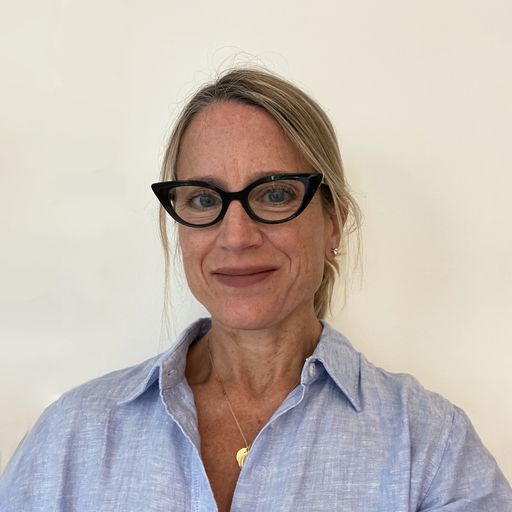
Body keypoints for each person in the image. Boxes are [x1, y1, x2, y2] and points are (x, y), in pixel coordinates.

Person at [1, 68, 511, 512]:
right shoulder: (71, 438)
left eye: (275, 194)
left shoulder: (430, 447)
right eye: (204, 199)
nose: (237, 236)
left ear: (334, 222)